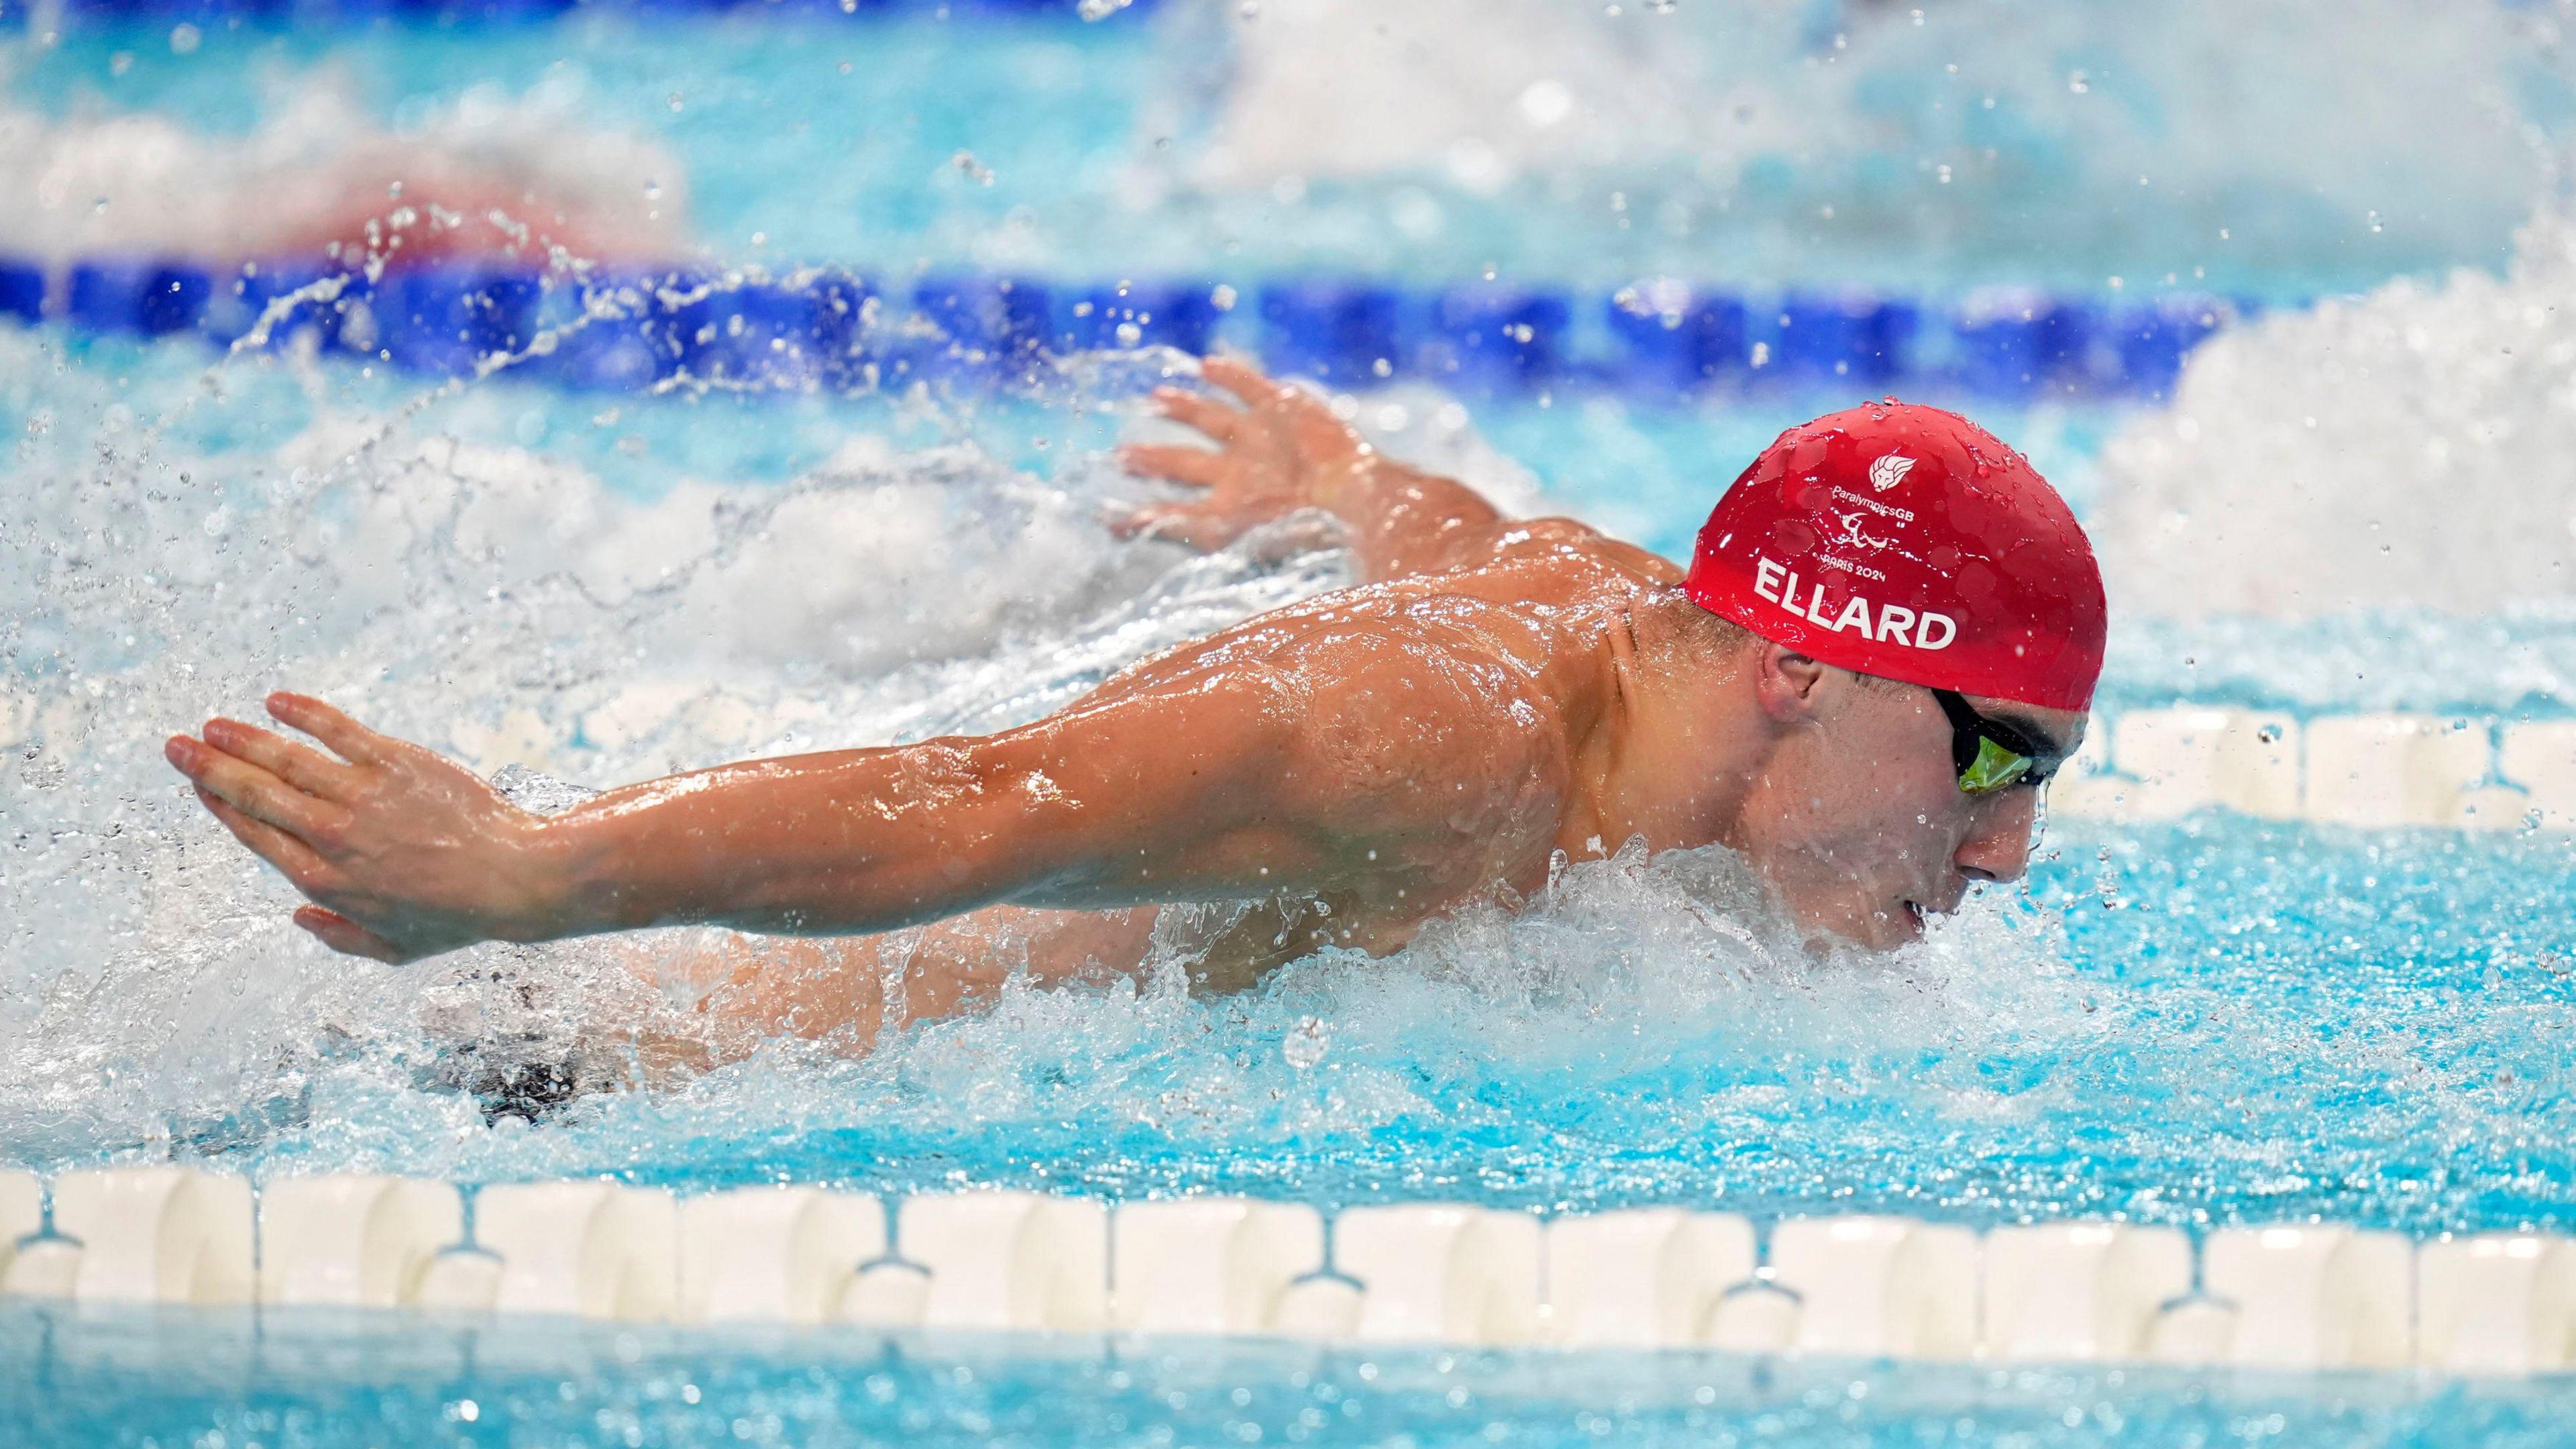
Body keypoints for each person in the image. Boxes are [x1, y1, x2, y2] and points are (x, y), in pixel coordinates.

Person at [163, 358, 2104, 1061]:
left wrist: (1336, 481)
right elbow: (986, 797)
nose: (2007, 848)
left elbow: (1466, 529)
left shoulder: (1629, 615)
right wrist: (528, 867)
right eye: (1995, 755)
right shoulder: (1432, 743)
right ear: (1799, 667)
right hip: (568, 1071)